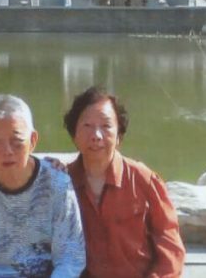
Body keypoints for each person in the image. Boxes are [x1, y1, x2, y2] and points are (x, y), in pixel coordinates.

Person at [0, 95, 85, 278]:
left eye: (16, 141)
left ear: (32, 140)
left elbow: (71, 257)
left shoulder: (57, 184)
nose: (7, 151)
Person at [64, 87, 185, 278]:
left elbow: (170, 249)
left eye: (106, 126)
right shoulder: (62, 182)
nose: (96, 135)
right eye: (87, 126)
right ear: (74, 133)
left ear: (119, 135)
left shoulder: (144, 181)